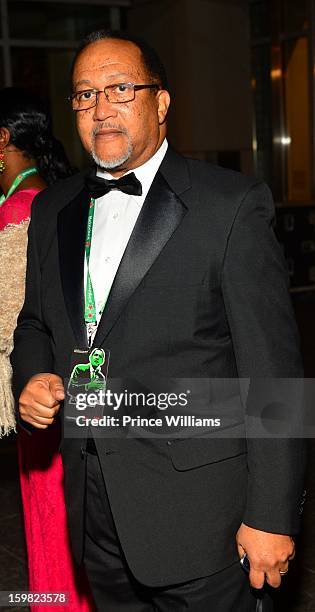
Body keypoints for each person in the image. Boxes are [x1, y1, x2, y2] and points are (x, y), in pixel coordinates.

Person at [11, 31, 306, 611]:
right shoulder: (54, 209)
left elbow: (276, 376)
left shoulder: (231, 206)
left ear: (161, 102)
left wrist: (271, 516)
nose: (101, 109)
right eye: (85, 95)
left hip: (203, 516)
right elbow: (35, 323)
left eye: (121, 89)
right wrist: (34, 373)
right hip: (93, 507)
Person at [0, 87, 93, 611]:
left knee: (52, 519)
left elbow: (14, 318)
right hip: (54, 384)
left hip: (40, 387)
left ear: (3, 139)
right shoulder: (52, 195)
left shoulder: (21, 206)